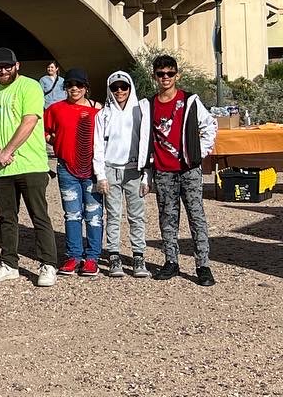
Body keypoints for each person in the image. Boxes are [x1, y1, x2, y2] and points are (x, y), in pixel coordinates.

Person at [0, 48, 57, 287]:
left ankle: (48, 265)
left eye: (7, 66)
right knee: (7, 218)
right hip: (2, 169)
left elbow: (30, 120)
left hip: (31, 165)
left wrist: (7, 151)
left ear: (17, 65)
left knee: (39, 216)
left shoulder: (30, 87)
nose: (3, 71)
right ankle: (9, 264)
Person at [143, 53, 217, 286]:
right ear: (155, 76)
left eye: (170, 73)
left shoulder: (190, 100)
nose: (166, 77)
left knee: (196, 216)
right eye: (161, 74)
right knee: (167, 217)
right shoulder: (149, 105)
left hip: (188, 170)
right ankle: (171, 261)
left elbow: (210, 126)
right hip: (163, 170)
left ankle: (202, 265)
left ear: (177, 75)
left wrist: (198, 154)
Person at [45, 68, 104, 279]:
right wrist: (56, 141)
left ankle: (93, 258)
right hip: (66, 168)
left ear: (86, 88)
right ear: (65, 87)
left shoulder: (98, 110)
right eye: (70, 85)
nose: (74, 89)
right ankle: (74, 255)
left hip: (93, 170)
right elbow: (46, 132)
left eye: (79, 85)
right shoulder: (55, 109)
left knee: (94, 214)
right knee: (72, 214)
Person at [92, 71, 151, 279]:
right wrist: (100, 175)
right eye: (115, 87)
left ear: (130, 88)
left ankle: (138, 255)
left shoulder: (140, 110)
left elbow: (147, 142)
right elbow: (97, 145)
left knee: (137, 216)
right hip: (110, 169)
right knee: (113, 215)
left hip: (134, 169)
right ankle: (114, 254)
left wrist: (146, 174)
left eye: (123, 87)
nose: (119, 91)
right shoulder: (103, 114)